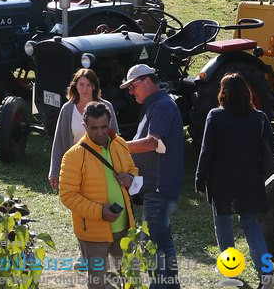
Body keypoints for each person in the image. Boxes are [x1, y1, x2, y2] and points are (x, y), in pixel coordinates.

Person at [195, 73, 274, 289]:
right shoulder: (259, 117)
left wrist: (199, 179)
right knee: (251, 225)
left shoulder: (215, 116)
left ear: (223, 93)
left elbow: (206, 151)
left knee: (223, 224)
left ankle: (231, 270)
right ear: (247, 93)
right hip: (250, 178)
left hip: (221, 180)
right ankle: (266, 273)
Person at [59, 102, 137, 288]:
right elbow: (68, 195)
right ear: (85, 127)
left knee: (131, 279)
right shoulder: (73, 156)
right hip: (93, 232)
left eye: (104, 127)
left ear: (110, 123)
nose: (100, 132)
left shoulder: (120, 144)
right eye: (94, 128)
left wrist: (131, 177)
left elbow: (132, 168)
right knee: (97, 283)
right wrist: (99, 211)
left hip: (124, 227)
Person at [122, 64, 184, 289]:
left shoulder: (162, 106)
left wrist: (119, 146)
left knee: (150, 244)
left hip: (158, 188)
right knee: (164, 242)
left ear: (147, 81)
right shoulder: (156, 104)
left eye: (133, 86)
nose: (131, 92)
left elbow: (152, 142)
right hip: (158, 187)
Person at [49, 69, 118, 190]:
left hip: (101, 165)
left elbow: (115, 139)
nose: (85, 89)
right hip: (76, 166)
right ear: (75, 86)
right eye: (81, 84)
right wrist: (54, 170)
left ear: (94, 87)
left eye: (88, 85)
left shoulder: (107, 107)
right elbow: (58, 142)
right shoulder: (67, 109)